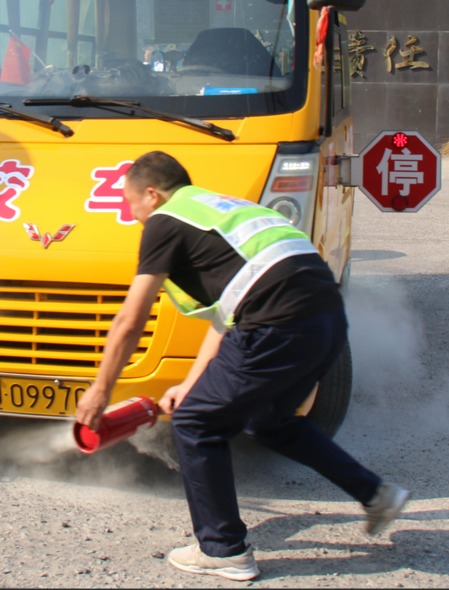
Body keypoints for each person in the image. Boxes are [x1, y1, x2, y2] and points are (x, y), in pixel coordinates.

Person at [74, 151, 408, 582]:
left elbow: (130, 319)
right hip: (325, 320)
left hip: (276, 321)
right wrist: (190, 384)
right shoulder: (225, 212)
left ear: (152, 195)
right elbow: (227, 314)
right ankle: (375, 494)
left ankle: (223, 549)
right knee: (270, 421)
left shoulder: (165, 220)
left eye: (130, 202)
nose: (133, 214)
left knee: (195, 423)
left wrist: (101, 390)